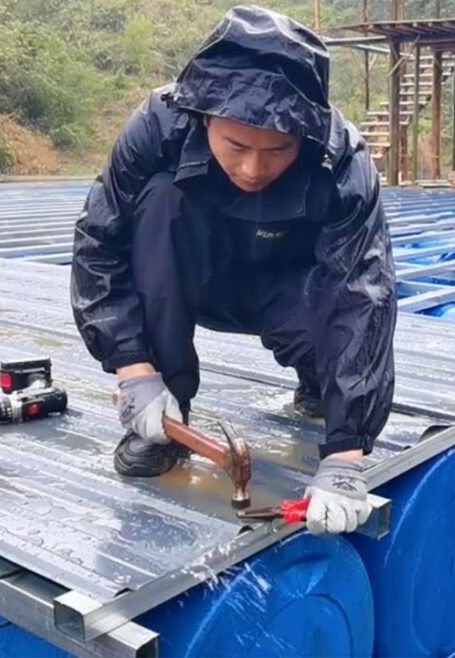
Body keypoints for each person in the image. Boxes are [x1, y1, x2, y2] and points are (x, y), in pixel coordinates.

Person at [70, 5, 397, 535]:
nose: (252, 168)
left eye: (278, 150)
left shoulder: (342, 161)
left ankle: (321, 388)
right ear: (203, 117)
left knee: (344, 316)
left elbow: (365, 293)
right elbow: (99, 242)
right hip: (190, 278)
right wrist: (132, 368)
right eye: (236, 145)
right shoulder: (158, 126)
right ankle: (165, 416)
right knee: (158, 203)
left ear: (307, 136)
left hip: (290, 290)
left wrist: (347, 454)